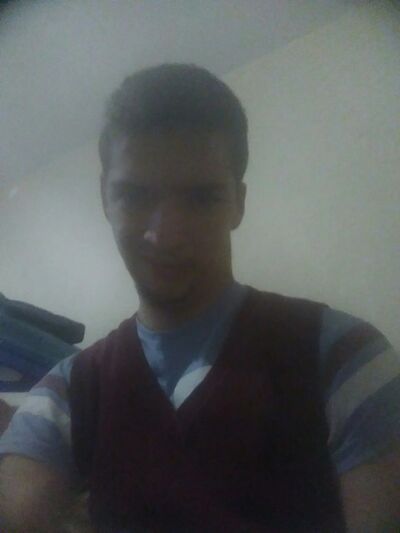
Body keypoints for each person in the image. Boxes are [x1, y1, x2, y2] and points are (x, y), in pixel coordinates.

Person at [0, 64, 399, 532]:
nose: (165, 235)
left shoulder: (346, 358)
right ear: (105, 199)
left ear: (238, 203)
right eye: (134, 196)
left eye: (201, 198)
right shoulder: (67, 391)